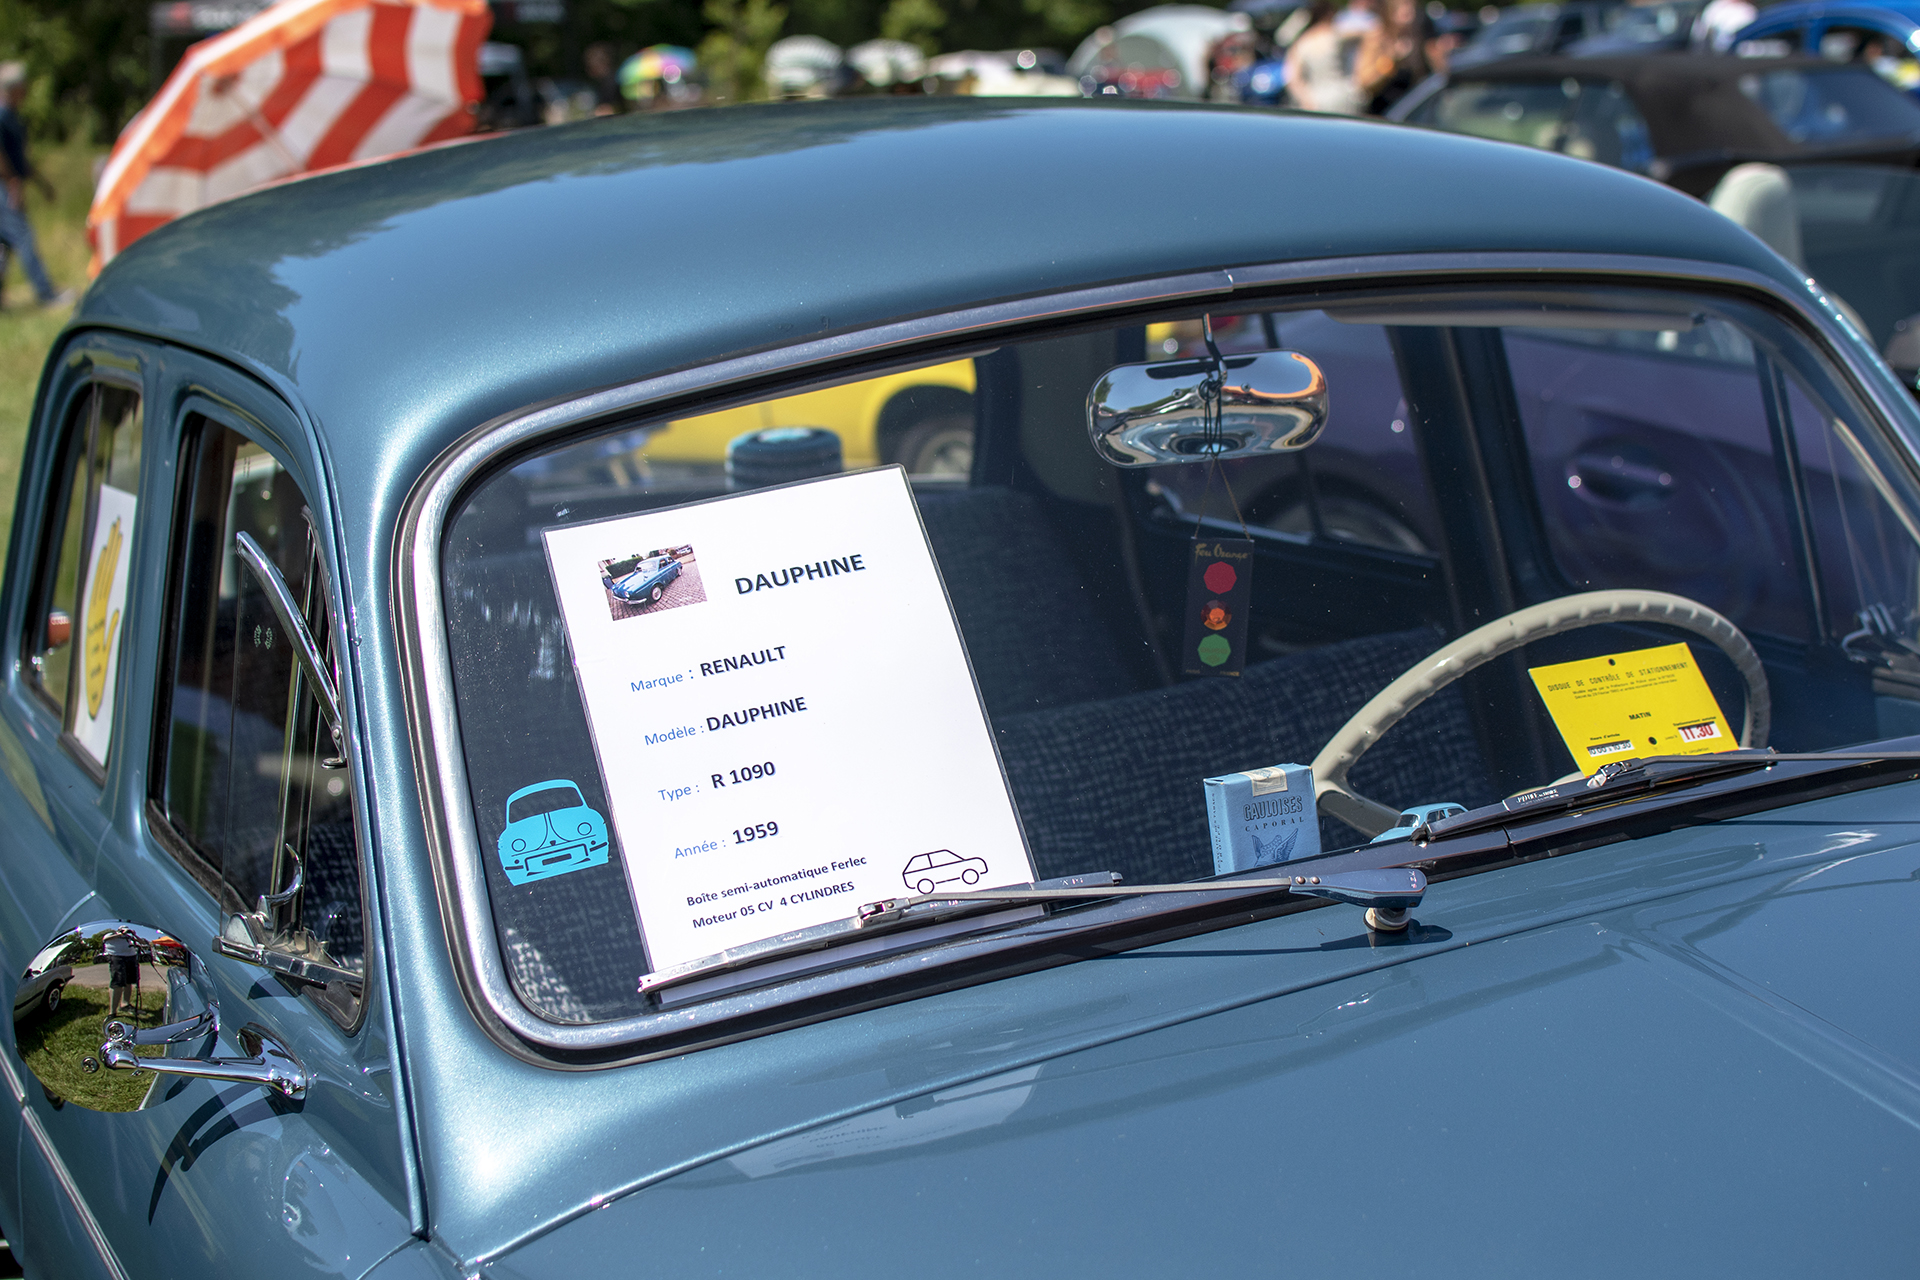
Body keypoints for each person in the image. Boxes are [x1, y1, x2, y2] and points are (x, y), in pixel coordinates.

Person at [0, 62, 73, 310]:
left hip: (10, 183)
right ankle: (46, 294)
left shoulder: (12, 116)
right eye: (24, 85)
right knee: (24, 238)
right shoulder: (2, 115)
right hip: (5, 188)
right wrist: (12, 182)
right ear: (15, 87)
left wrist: (42, 184)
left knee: (4, 244)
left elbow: (20, 159)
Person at [1285, 0, 1364, 114]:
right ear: (1330, 13)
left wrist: (1306, 101)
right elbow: (1370, 34)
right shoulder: (1338, 34)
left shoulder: (1301, 42)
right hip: (1343, 98)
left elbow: (1293, 79)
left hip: (1315, 101)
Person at [1357, 0, 1433, 113]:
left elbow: (1420, 79)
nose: (1411, 15)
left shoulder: (1415, 38)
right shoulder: (1376, 38)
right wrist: (1391, 60)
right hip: (1379, 110)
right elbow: (1365, 82)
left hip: (1407, 110)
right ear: (1391, 12)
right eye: (1405, 11)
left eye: (1413, 9)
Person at [101, 927, 139, 1019]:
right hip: (117, 956)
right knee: (117, 982)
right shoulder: (111, 934)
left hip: (131, 956)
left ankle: (125, 1004)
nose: (126, 931)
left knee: (129, 981)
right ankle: (112, 1012)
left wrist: (133, 935)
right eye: (123, 929)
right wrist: (120, 934)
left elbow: (139, 942)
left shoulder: (129, 937)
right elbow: (105, 939)